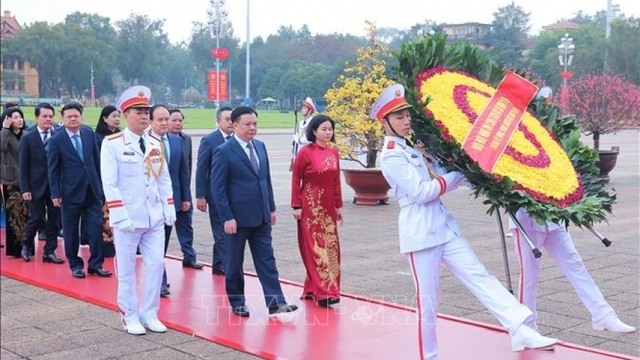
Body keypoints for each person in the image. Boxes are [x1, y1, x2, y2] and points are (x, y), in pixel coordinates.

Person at [375, 84, 559, 359]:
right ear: (385, 121)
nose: (406, 121)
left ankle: (519, 327)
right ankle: (430, 356)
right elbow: (421, 192)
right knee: (429, 303)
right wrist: (456, 177)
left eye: (407, 115)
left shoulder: (416, 148)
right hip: (420, 231)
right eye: (399, 117)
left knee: (480, 276)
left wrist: (466, 168)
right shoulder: (391, 154)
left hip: (444, 226)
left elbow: (440, 174)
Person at [101, 86, 176, 335]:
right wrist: (119, 214)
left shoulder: (155, 142)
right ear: (125, 114)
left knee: (156, 265)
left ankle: (150, 312)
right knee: (126, 269)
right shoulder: (112, 144)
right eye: (138, 111)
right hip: (128, 218)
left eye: (146, 111)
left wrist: (168, 205)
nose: (144, 116)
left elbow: (163, 178)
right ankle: (129, 315)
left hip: (153, 216)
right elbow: (109, 183)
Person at [211, 106, 298, 318]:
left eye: (255, 124)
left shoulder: (260, 146)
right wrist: (227, 217)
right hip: (237, 219)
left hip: (261, 216)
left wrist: (272, 208)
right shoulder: (223, 151)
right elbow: (218, 188)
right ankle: (237, 301)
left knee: (267, 260)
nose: (252, 128)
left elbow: (265, 180)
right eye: (248, 124)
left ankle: (276, 302)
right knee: (233, 262)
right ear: (235, 125)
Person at [511, 209, 636, 333]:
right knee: (530, 275)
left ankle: (603, 315)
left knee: (576, 266)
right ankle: (526, 327)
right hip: (528, 222)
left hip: (555, 219)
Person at [47, 102, 111, 279]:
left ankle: (95, 264)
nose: (73, 119)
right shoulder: (56, 140)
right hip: (69, 193)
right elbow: (53, 169)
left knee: (95, 229)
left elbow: (97, 163)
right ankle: (75, 264)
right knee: (71, 231)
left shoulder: (89, 134)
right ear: (63, 119)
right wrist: (55, 193)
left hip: (92, 191)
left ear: (81, 117)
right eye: (69, 116)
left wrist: (101, 187)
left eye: (76, 116)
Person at [291, 114, 344, 307]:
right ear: (314, 131)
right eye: (324, 129)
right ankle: (325, 292)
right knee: (315, 248)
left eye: (330, 129)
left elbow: (336, 182)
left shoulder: (333, 152)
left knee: (331, 248)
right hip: (310, 208)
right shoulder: (305, 153)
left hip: (328, 208)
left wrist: (339, 207)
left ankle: (316, 288)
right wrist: (296, 205)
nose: (328, 132)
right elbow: (296, 179)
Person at [148, 104, 199, 298]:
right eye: (159, 119)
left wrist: (185, 197)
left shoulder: (177, 143)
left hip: (173, 201)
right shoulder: (143, 142)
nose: (164, 122)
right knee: (155, 245)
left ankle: (160, 278)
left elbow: (182, 173)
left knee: (164, 242)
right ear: (151, 121)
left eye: (166, 119)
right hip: (151, 203)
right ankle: (159, 280)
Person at [18, 103, 64, 264]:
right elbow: (23, 166)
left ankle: (49, 251)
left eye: (51, 116)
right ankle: (26, 244)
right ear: (36, 117)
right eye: (44, 116)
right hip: (35, 185)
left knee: (54, 220)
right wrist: (25, 188)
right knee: (36, 218)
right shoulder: (28, 137)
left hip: (55, 186)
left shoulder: (59, 134)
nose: (48, 119)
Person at [195, 106, 233, 276]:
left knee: (226, 231)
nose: (231, 122)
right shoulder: (209, 140)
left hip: (234, 194)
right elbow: (201, 168)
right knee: (221, 230)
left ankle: (218, 264)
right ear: (218, 121)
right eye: (227, 119)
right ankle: (227, 264)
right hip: (215, 194)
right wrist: (200, 195)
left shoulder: (237, 139)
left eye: (233, 119)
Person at [166, 108, 202, 269]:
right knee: (163, 233)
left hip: (182, 191)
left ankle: (189, 256)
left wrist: (186, 195)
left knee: (186, 226)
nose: (178, 123)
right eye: (174, 120)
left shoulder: (185, 140)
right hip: (165, 194)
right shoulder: (155, 141)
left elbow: (186, 168)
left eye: (180, 120)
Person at [93, 105, 122, 257]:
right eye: (113, 116)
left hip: (121, 182)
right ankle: (105, 246)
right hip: (103, 182)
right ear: (104, 119)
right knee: (105, 216)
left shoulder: (123, 136)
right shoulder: (97, 138)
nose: (117, 119)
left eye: (118, 116)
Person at [1, 106, 28, 257]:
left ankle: (27, 246)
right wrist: (4, 129)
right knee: (14, 215)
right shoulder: (6, 135)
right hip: (11, 180)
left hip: (26, 179)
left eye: (20, 117)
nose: (19, 120)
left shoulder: (27, 135)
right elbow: (1, 147)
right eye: (15, 117)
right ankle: (15, 249)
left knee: (26, 214)